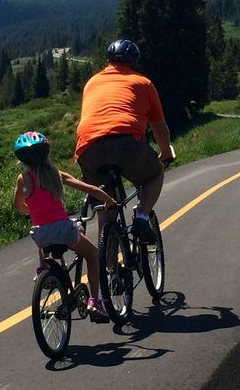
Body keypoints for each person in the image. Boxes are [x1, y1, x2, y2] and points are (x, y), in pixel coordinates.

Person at [75, 39, 175, 244]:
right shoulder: (143, 83)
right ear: (134, 62)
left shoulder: (92, 82)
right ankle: (141, 217)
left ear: (108, 60)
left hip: (87, 147)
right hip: (126, 143)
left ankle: (110, 270)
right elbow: (159, 127)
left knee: (107, 205)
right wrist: (165, 153)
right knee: (155, 173)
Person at [12, 131, 116, 321]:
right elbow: (90, 189)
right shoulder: (55, 174)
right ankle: (94, 301)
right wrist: (109, 201)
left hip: (41, 235)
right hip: (63, 230)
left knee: (40, 230)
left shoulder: (23, 179)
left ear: (22, 160)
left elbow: (18, 206)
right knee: (92, 255)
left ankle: (43, 268)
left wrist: (32, 211)